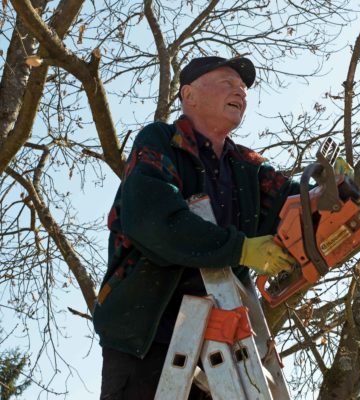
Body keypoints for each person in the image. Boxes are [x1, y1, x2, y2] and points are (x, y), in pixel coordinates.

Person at [93, 56, 301, 399]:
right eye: (227, 82)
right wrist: (241, 249)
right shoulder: (160, 142)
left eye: (244, 88)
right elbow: (153, 220)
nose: (240, 91)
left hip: (220, 348)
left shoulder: (247, 168)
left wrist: (328, 190)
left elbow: (293, 202)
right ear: (189, 95)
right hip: (148, 336)